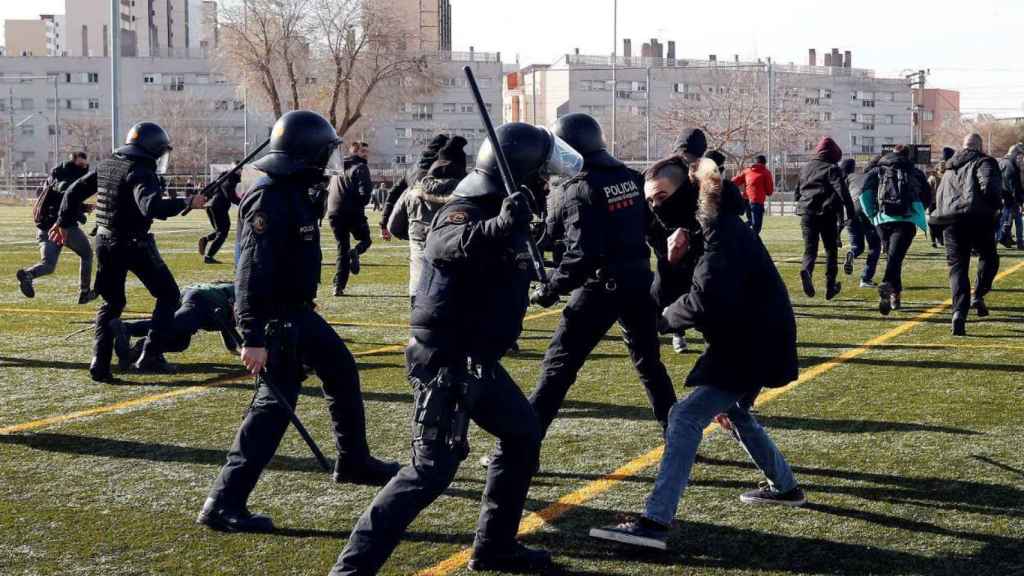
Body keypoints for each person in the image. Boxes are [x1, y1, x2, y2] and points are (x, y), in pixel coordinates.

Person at [332, 123, 583, 575]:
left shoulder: (511, 209)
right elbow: (445, 244)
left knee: (522, 436)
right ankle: (350, 571)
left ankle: (495, 548)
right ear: (521, 173)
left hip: (478, 360)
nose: (547, 182)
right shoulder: (466, 209)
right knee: (429, 472)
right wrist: (501, 224)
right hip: (445, 361)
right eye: (542, 174)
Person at [198, 111, 400, 534]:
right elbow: (250, 270)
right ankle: (223, 503)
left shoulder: (293, 189)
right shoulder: (269, 196)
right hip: (274, 321)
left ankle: (354, 461)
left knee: (341, 371)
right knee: (272, 409)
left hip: (298, 313)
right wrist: (251, 336)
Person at [589, 158, 804, 551]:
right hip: (740, 340)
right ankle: (786, 487)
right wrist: (670, 265)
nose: (654, 207)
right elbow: (667, 296)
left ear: (686, 193)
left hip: (757, 342)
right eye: (649, 201)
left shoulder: (723, 231)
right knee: (732, 411)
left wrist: (659, 322)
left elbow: (704, 300)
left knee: (685, 416)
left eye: (661, 198)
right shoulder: (694, 232)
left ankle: (654, 522)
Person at [526, 113, 676, 443]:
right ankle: (680, 440)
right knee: (650, 365)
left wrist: (550, 289)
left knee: (557, 367)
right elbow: (655, 233)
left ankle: (520, 450)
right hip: (638, 284)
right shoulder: (631, 178)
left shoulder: (579, 187)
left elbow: (582, 255)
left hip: (600, 288)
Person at [51, 123, 206, 381]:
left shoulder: (110, 164)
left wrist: (63, 221)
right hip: (134, 244)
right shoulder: (141, 170)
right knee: (168, 295)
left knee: (112, 303)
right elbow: (151, 207)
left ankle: (99, 364)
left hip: (104, 240)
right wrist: (187, 202)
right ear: (152, 149)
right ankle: (151, 354)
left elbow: (73, 190)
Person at [930, 133, 1004, 336]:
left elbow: (939, 195)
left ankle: (958, 314)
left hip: (951, 221)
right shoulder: (984, 162)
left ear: (963, 147)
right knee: (989, 258)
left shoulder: (949, 167)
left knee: (958, 268)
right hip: (978, 218)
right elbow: (990, 187)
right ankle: (978, 294)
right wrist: (996, 207)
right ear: (979, 147)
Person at [387, 136, 468, 306]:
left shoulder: (413, 190)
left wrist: (414, 236)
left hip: (418, 283)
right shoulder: (468, 194)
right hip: (453, 281)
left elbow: (394, 226)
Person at [647, 128, 707, 354]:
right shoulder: (698, 172)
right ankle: (697, 333)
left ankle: (677, 333)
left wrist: (659, 245)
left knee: (669, 288)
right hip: (690, 241)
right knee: (699, 288)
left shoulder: (662, 168)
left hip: (668, 242)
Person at [858, 145, 930, 315]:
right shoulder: (914, 171)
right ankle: (887, 284)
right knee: (895, 257)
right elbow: (927, 196)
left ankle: (894, 296)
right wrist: (917, 211)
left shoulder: (877, 170)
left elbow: (864, 193)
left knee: (893, 257)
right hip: (906, 220)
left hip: (882, 221)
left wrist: (873, 216)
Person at [17, 151, 96, 304]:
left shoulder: (56, 174)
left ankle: (28, 275)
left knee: (48, 264)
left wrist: (82, 207)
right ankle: (84, 292)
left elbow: (58, 200)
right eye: (83, 164)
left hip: (44, 226)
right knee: (87, 255)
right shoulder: (69, 176)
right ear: (80, 164)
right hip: (62, 226)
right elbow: (66, 195)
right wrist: (78, 211)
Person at [115, 282, 240, 365]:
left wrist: (233, 348)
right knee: (172, 325)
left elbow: (228, 323)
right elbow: (230, 317)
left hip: (194, 294)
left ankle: (141, 348)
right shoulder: (248, 295)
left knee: (181, 342)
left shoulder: (241, 290)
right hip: (202, 299)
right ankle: (127, 328)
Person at [795, 136, 855, 300]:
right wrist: (850, 213)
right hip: (826, 213)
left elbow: (797, 192)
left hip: (807, 213)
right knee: (831, 251)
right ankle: (830, 286)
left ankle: (807, 271)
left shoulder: (806, 168)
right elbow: (843, 192)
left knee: (810, 250)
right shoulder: (832, 169)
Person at [379, 134, 450, 241]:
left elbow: (393, 194)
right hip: (440, 229)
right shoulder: (447, 170)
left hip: (416, 229)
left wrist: (384, 222)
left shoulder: (412, 170)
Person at [326, 142, 374, 296]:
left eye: (367, 151)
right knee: (366, 240)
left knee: (342, 248)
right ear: (355, 152)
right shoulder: (361, 167)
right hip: (351, 212)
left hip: (333, 212)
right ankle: (356, 252)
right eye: (363, 151)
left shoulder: (339, 167)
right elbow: (364, 195)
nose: (366, 154)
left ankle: (338, 286)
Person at [842, 157, 882, 288]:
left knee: (857, 246)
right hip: (866, 211)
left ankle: (852, 254)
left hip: (850, 212)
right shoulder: (877, 176)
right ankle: (865, 278)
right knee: (874, 247)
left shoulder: (852, 177)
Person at [197, 171, 242, 264]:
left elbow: (206, 190)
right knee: (222, 232)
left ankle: (206, 239)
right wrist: (242, 202)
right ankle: (209, 256)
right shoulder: (229, 180)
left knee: (220, 231)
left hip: (211, 206)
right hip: (219, 207)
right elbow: (230, 195)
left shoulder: (220, 180)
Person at [731, 154, 775, 235]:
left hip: (746, 200)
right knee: (756, 226)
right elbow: (769, 191)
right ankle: (747, 237)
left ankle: (741, 230)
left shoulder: (747, 171)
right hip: (757, 201)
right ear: (765, 163)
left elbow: (735, 182)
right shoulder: (766, 172)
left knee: (751, 221)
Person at [926, 147, 955, 248]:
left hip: (933, 201)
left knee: (932, 222)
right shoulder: (951, 174)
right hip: (946, 201)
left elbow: (928, 188)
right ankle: (941, 239)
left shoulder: (933, 177)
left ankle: (934, 240)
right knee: (944, 222)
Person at [997, 144, 1024, 249]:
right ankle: (1019, 242)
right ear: (1015, 153)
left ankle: (1017, 241)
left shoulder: (1001, 163)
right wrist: (1020, 201)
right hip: (1010, 199)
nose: (1020, 157)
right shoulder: (1011, 166)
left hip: (1004, 197)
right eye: (1019, 154)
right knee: (1008, 222)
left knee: (1004, 222)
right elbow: (1014, 186)